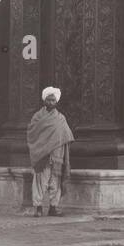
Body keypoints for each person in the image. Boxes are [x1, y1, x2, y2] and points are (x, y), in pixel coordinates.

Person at [27, 86, 74, 216]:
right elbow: (32, 134)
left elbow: (66, 136)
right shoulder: (37, 117)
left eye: (53, 100)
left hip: (57, 156)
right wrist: (42, 147)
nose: (51, 102)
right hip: (42, 156)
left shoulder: (61, 118)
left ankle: (53, 207)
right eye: (48, 99)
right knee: (40, 182)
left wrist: (64, 156)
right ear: (44, 101)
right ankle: (38, 208)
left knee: (55, 183)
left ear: (57, 102)